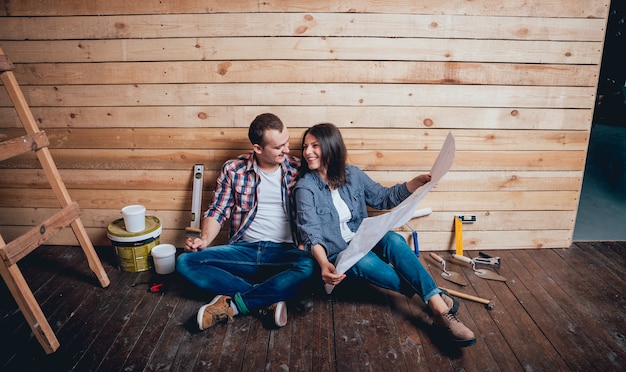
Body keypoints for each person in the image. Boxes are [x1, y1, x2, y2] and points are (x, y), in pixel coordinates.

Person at [293, 123, 476, 347]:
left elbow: (382, 198)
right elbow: (311, 233)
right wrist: (322, 263)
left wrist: (414, 184)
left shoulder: (352, 174)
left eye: (315, 146)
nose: (307, 152)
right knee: (366, 262)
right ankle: (438, 305)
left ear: (332, 147)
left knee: (394, 239)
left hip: (363, 237)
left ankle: (434, 302)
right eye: (305, 147)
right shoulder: (305, 187)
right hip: (338, 253)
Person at [176, 113, 314, 331]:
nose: (287, 150)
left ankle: (235, 304)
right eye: (279, 147)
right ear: (258, 148)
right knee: (186, 262)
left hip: (284, 254)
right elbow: (218, 209)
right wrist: (203, 240)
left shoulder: (298, 169)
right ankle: (266, 297)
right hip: (243, 252)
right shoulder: (233, 169)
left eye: (287, 142)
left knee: (309, 265)